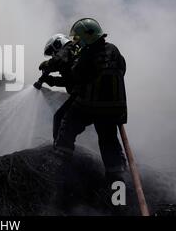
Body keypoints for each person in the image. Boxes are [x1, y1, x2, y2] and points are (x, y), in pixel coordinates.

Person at [54, 18, 127, 183]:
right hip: (115, 109)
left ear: (86, 38)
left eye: (78, 40)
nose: (77, 44)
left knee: (67, 124)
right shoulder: (114, 50)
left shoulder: (88, 54)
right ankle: (117, 181)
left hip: (90, 106)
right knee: (109, 141)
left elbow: (77, 76)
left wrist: (71, 63)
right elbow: (122, 69)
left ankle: (60, 163)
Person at [33, 33, 79, 141]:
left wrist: (47, 64)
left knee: (60, 118)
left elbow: (57, 60)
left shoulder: (69, 48)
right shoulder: (71, 54)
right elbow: (69, 81)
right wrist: (50, 80)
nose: (53, 55)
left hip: (82, 94)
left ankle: (59, 148)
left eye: (52, 52)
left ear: (58, 43)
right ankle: (62, 146)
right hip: (81, 93)